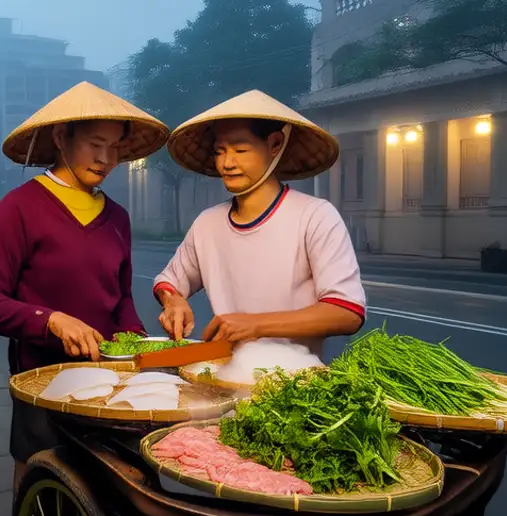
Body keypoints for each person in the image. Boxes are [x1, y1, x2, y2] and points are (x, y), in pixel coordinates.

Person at [0, 81, 170, 492]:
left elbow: (121, 297)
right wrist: (50, 320)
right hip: (43, 382)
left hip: (108, 384)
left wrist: (140, 348)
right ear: (61, 138)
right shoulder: (20, 207)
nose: (106, 158)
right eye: (95, 143)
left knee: (111, 490)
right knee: (42, 484)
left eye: (114, 147)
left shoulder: (118, 217)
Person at [152, 90, 365, 361]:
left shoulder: (316, 216)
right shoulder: (207, 223)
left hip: (295, 382)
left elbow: (346, 311)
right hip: (225, 375)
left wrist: (255, 325)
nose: (227, 163)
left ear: (275, 144)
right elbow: (168, 280)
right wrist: (172, 300)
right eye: (220, 151)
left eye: (240, 150)